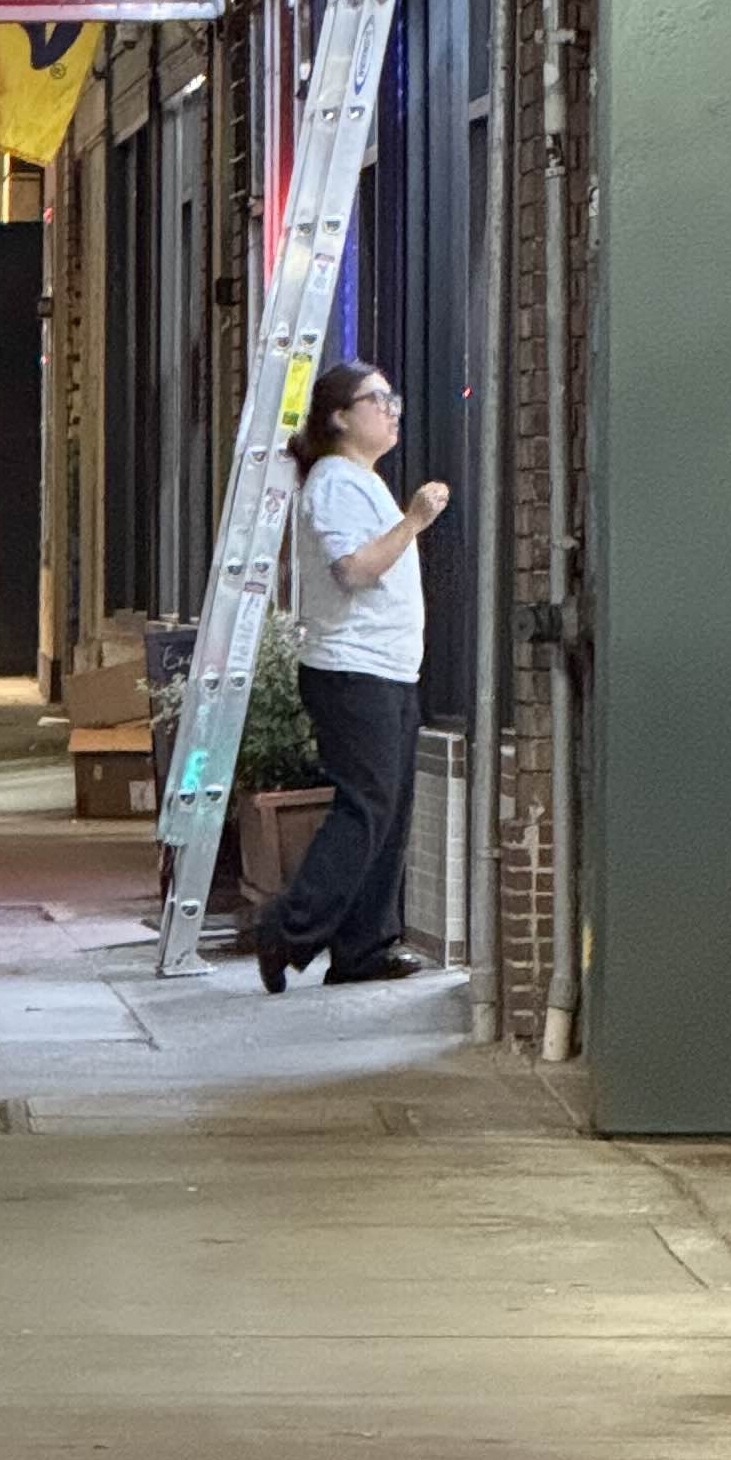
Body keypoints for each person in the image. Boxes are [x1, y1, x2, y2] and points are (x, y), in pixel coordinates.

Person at [255, 357, 448, 993]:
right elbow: (353, 570)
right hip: (351, 669)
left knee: (386, 813)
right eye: (377, 399)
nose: (391, 409)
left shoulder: (360, 480)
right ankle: (287, 925)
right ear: (340, 417)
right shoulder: (336, 482)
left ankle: (362, 946)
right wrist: (415, 520)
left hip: (385, 668)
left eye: (393, 398)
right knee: (365, 808)